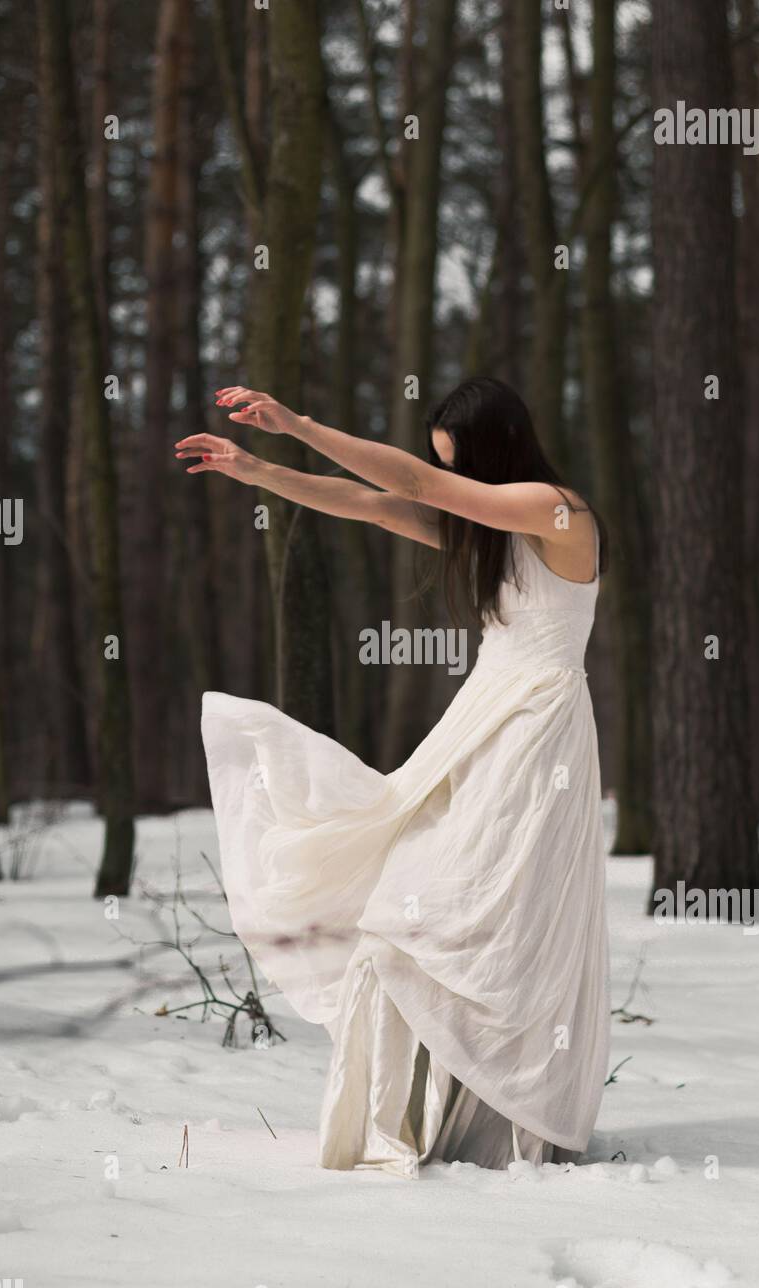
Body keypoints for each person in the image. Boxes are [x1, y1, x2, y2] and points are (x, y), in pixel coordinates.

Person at [175, 376, 611, 1177]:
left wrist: (296, 419)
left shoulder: (557, 512)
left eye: (461, 465)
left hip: (536, 737)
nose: (453, 480)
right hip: (483, 720)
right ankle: (421, 1115)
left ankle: (497, 1116)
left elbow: (408, 482)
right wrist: (260, 471)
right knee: (409, 900)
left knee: (480, 910)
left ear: (496, 452)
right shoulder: (493, 534)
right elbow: (376, 503)